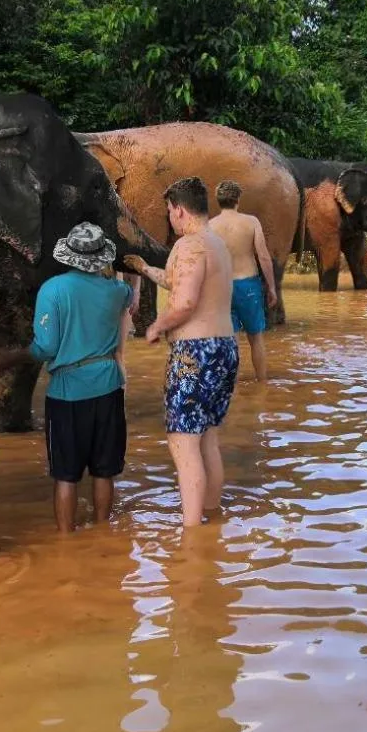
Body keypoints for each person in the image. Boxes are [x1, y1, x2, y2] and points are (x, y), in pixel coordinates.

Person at [127, 177, 237, 528]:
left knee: (183, 444)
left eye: (169, 212)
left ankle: (191, 535)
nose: (170, 218)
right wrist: (145, 269)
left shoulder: (190, 245)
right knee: (207, 439)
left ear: (179, 209)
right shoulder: (216, 244)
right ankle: (213, 518)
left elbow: (186, 302)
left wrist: (157, 325)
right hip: (224, 348)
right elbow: (181, 281)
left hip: (194, 353)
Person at [28, 223, 134, 531]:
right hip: (109, 387)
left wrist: (21, 354)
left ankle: (66, 541)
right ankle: (102, 532)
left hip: (67, 393)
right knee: (104, 471)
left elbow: (45, 347)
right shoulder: (117, 292)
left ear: (69, 255)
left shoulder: (53, 289)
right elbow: (129, 293)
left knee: (66, 474)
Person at [208, 180, 278, 381]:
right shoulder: (251, 222)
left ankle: (232, 389)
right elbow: (263, 256)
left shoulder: (210, 226)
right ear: (238, 199)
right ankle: (262, 385)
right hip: (248, 285)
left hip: (221, 288)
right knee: (256, 338)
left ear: (218, 200)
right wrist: (271, 287)